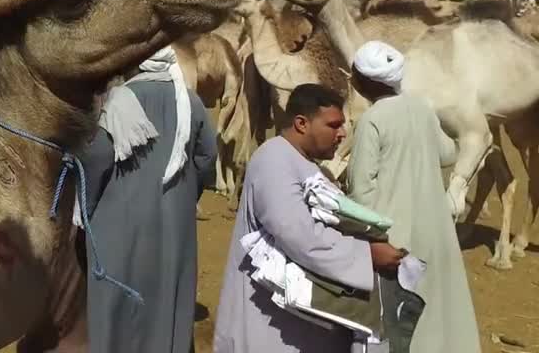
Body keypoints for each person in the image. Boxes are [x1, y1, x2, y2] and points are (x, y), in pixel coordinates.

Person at [214, 83, 407, 353]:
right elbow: (297, 233)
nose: (342, 134)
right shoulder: (274, 159)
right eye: (333, 125)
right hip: (269, 319)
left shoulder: (305, 165)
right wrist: (368, 255)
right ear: (302, 123)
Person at [77, 46, 218, 353]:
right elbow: (207, 157)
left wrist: (83, 213)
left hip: (120, 233)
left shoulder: (117, 105)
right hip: (174, 231)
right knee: (169, 301)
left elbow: (94, 161)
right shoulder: (190, 103)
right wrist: (183, 196)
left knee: (120, 314)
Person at [348, 41, 481, 353]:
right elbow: (448, 153)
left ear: (363, 81)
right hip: (433, 229)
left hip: (393, 235)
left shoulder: (372, 119)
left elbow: (361, 188)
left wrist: (364, 240)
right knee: (435, 311)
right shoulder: (421, 108)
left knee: (395, 319)